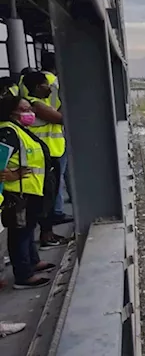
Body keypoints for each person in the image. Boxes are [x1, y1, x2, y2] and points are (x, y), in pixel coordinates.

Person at [0, 95, 56, 289]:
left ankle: (33, 261)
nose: (29, 113)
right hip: (17, 193)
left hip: (30, 190)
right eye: (24, 110)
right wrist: (12, 175)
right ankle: (24, 276)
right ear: (11, 112)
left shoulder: (20, 130)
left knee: (28, 229)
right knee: (20, 234)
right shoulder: (7, 132)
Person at [20, 71, 67, 249]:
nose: (50, 88)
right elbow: (61, 118)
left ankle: (48, 232)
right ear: (38, 87)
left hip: (50, 154)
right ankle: (46, 236)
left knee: (51, 195)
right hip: (44, 157)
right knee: (46, 198)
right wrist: (66, 98)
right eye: (47, 85)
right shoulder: (35, 104)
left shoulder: (44, 103)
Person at [41, 52, 72, 223]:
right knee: (57, 178)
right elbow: (59, 113)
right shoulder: (53, 82)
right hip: (54, 139)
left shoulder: (27, 81)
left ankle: (57, 210)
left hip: (41, 140)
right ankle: (57, 212)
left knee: (56, 178)